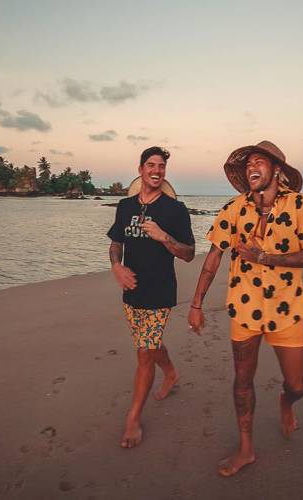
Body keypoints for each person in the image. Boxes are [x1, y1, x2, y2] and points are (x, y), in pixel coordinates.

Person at [188, 140, 303, 476]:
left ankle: (285, 403)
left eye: (259, 161)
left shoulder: (300, 205)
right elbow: (214, 256)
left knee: (297, 386)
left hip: (286, 310)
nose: (252, 167)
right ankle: (246, 448)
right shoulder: (234, 209)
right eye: (248, 163)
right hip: (244, 309)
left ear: (276, 169)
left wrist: (265, 257)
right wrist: (196, 303)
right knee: (242, 381)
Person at [107, 146, 196, 449]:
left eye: (161, 166)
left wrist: (164, 237)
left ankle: (133, 418)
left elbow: (189, 254)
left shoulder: (175, 210)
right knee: (149, 342)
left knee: (144, 353)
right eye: (151, 165)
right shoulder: (124, 206)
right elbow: (116, 242)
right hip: (131, 290)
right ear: (141, 169)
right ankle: (170, 372)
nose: (156, 170)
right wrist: (116, 267)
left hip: (160, 292)